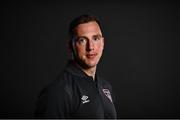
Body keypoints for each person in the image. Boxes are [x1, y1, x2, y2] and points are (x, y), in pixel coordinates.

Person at [35, 14, 117, 119]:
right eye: (82, 40)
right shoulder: (58, 91)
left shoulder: (105, 86)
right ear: (71, 46)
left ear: (103, 43)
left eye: (95, 38)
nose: (90, 47)